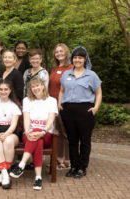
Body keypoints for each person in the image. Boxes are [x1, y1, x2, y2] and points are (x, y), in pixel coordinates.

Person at [58, 46, 102, 178]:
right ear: (72, 59)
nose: (77, 60)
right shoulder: (66, 74)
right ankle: (74, 166)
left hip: (85, 111)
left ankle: (82, 167)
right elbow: (61, 90)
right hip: (68, 111)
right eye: (75, 57)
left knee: (84, 140)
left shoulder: (91, 75)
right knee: (71, 140)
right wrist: (59, 104)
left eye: (80, 58)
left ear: (85, 59)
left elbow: (98, 93)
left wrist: (96, 107)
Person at [9, 76, 58, 190]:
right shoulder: (27, 100)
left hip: (47, 135)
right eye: (32, 87)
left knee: (38, 134)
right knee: (38, 142)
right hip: (29, 135)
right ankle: (38, 178)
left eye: (37, 86)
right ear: (30, 89)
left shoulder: (52, 101)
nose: (35, 88)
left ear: (43, 86)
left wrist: (43, 131)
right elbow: (26, 119)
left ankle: (22, 165)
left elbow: (51, 120)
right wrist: (27, 132)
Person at [49, 44, 73, 170]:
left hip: (64, 103)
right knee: (56, 132)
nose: (59, 53)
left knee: (66, 132)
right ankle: (58, 160)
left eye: (61, 51)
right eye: (56, 51)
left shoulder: (71, 68)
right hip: (53, 104)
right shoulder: (54, 68)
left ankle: (68, 160)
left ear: (66, 52)